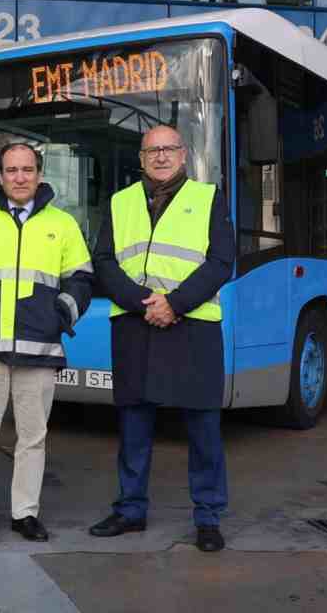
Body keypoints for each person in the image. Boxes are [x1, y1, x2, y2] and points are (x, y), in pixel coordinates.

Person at [87, 125, 235, 553]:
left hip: (192, 328)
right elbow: (104, 260)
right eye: (152, 150)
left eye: (169, 148)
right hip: (135, 325)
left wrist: (175, 303)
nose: (161, 156)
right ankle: (130, 510)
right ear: (141, 157)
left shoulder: (209, 198)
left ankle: (208, 517)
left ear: (184, 155)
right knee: (134, 426)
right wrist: (141, 302)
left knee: (204, 430)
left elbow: (220, 262)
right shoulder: (120, 202)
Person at [0, 142, 93, 543]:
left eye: (27, 169)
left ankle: (25, 513)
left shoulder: (62, 225)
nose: (19, 177)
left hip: (40, 350)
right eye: (11, 170)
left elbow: (80, 281)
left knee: (33, 437)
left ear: (40, 174)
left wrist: (59, 317)